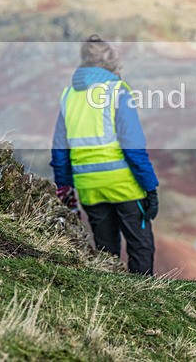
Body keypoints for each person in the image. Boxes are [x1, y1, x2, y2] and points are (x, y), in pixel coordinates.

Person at [50, 35, 160, 275]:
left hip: (89, 188)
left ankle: (107, 306)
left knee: (105, 253)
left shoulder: (70, 96)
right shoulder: (117, 91)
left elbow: (60, 150)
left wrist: (64, 187)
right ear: (112, 61)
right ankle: (142, 303)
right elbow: (133, 148)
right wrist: (150, 188)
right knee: (140, 248)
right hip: (125, 186)